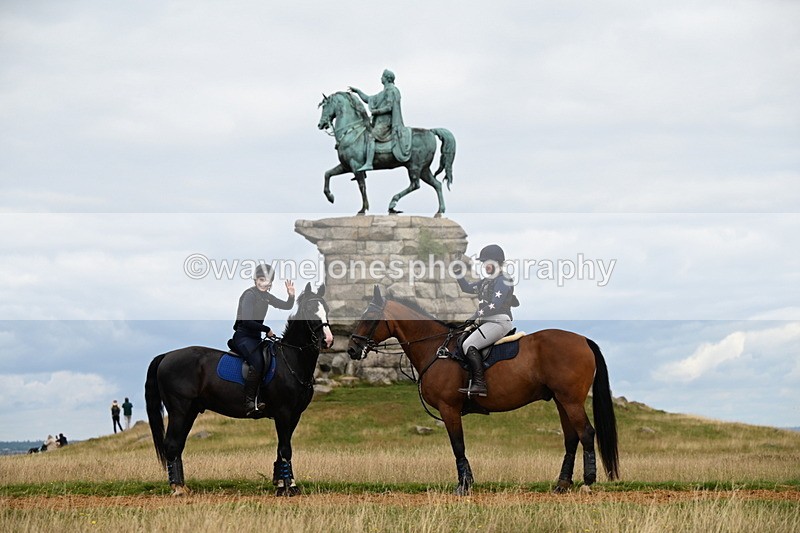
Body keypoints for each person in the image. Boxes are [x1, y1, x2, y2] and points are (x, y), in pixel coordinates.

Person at [232, 263, 295, 417]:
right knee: (258, 363)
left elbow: (286, 306)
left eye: (266, 280)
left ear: (270, 283)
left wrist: (291, 295)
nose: (263, 283)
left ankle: (265, 398)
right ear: (256, 280)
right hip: (243, 337)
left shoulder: (266, 296)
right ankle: (249, 402)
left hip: (255, 338)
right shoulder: (249, 295)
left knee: (272, 359)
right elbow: (247, 321)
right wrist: (266, 329)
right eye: (261, 279)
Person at [455, 244, 517, 397]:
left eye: (486, 262)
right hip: (487, 321)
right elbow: (467, 288)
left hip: (498, 322)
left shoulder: (504, 280)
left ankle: (479, 384)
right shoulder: (486, 282)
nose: (484, 266)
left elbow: (495, 305)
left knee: (469, 345)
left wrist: (476, 315)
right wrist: (458, 273)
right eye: (483, 263)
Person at [348, 69, 411, 170]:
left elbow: (389, 107)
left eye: (382, 76)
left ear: (386, 78)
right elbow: (368, 99)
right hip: (379, 122)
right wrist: (358, 91)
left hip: (386, 123)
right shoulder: (383, 92)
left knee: (371, 136)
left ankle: (369, 163)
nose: (381, 78)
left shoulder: (391, 90)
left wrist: (377, 112)